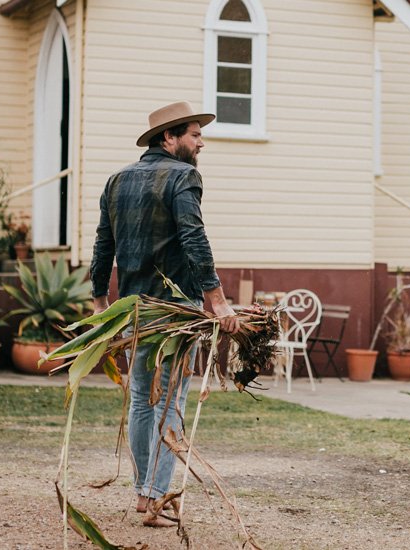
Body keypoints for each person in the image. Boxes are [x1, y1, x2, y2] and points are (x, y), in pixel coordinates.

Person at [90, 101, 241, 528]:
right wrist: (218, 300)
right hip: (175, 310)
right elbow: (195, 238)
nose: (201, 143)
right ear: (169, 137)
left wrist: (100, 300)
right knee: (170, 401)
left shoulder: (117, 180)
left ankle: (144, 493)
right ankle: (155, 498)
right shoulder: (184, 176)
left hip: (134, 309)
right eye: (195, 134)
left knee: (141, 398)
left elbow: (104, 244)